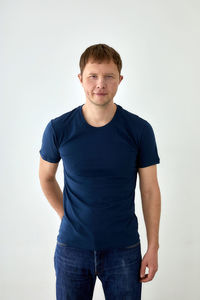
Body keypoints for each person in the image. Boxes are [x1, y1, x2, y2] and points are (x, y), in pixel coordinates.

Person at [39, 43, 161, 300]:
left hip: (124, 250)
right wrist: (67, 214)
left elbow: (149, 190)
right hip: (71, 249)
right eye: (93, 76)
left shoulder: (139, 130)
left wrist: (153, 247)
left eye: (108, 76)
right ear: (81, 78)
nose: (100, 84)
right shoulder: (58, 129)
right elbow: (46, 177)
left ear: (120, 80)